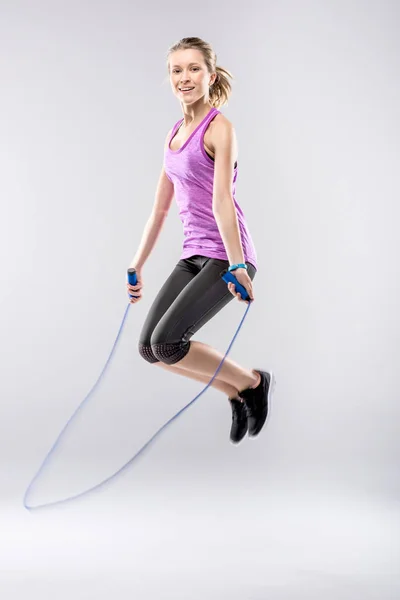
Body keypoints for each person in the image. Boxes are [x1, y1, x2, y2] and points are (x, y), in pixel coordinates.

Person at [126, 37, 274, 444]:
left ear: (210, 75)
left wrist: (240, 265)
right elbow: (159, 209)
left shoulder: (219, 128)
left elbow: (222, 200)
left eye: (193, 69)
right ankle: (235, 391)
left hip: (227, 255)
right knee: (149, 348)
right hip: (193, 254)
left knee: (169, 342)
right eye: (177, 70)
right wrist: (137, 264)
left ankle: (253, 382)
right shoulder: (175, 133)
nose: (184, 77)